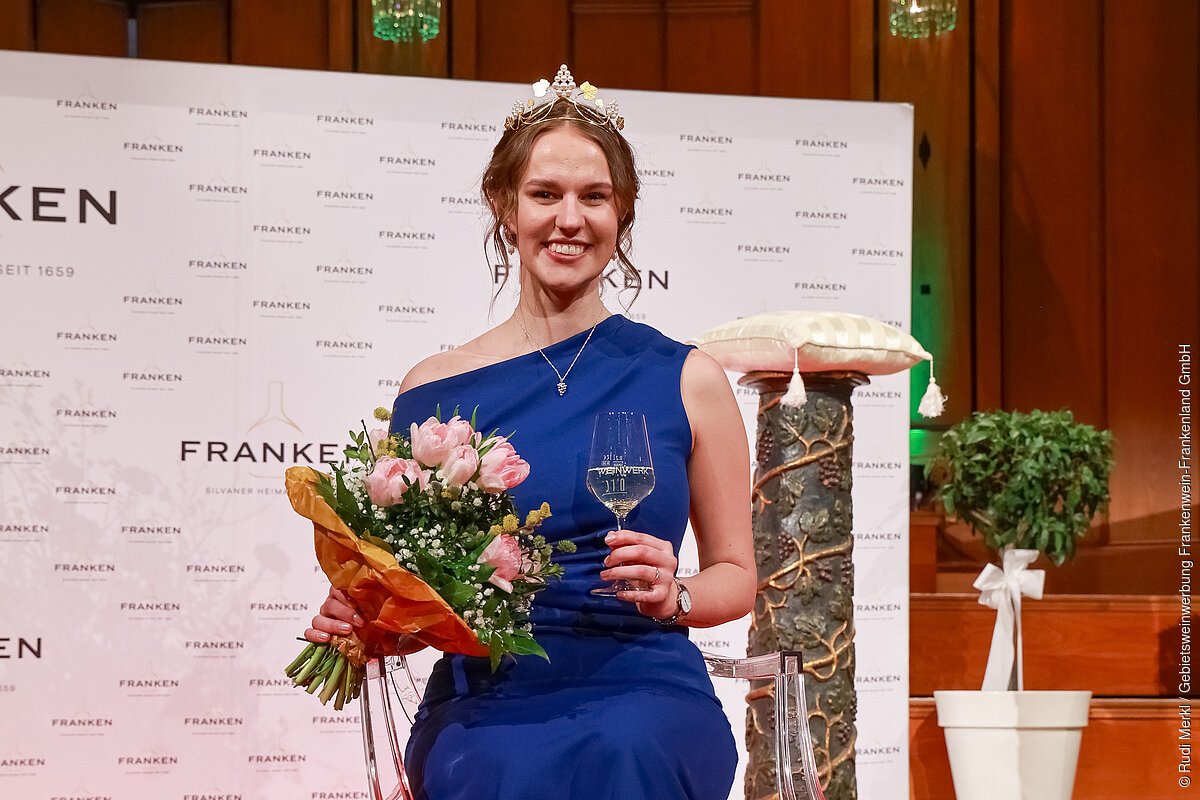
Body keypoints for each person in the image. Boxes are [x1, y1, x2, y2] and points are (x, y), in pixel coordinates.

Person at [305, 66, 756, 800]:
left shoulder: (688, 378)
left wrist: (675, 594)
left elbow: (736, 575)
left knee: (626, 747)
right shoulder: (433, 391)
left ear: (622, 212)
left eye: (594, 197)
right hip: (488, 692)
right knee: (495, 768)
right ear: (504, 205)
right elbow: (425, 602)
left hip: (643, 680)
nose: (569, 219)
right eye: (545, 194)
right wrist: (374, 619)